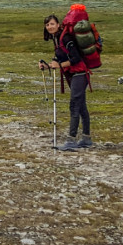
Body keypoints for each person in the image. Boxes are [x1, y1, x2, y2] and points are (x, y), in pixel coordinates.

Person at [39, 8, 92, 150]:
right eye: (47, 25)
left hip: (80, 74)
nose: (49, 27)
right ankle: (86, 138)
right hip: (74, 75)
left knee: (75, 105)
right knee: (81, 106)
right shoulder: (57, 39)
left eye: (51, 24)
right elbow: (59, 59)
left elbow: (75, 58)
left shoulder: (66, 38)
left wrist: (59, 65)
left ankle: (71, 140)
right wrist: (47, 66)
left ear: (58, 24)